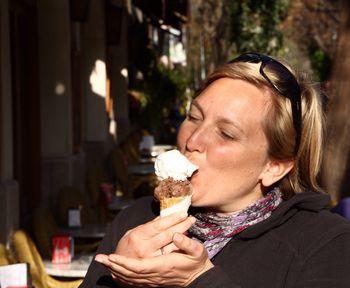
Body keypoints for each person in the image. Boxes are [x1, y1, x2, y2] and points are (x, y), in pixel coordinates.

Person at [80, 53, 350, 288]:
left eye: (226, 134)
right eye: (193, 117)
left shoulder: (326, 243)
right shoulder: (136, 219)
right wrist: (121, 280)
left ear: (274, 166)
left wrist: (198, 280)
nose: (192, 140)